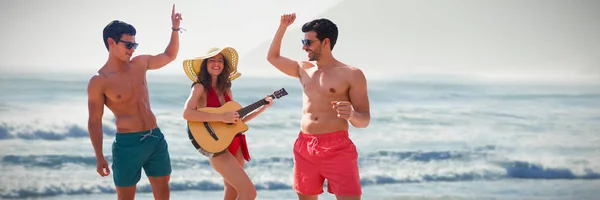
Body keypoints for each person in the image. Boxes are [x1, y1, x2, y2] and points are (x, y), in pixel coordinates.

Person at [266, 13, 371, 200]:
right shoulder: (303, 68)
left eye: (309, 42)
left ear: (326, 42)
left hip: (338, 148)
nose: (304, 47)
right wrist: (282, 27)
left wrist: (352, 115)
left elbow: (364, 120)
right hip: (304, 146)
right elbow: (273, 57)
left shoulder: (351, 74)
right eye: (303, 41)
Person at [86, 4, 182, 200]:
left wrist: (174, 29)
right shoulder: (99, 81)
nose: (132, 49)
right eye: (128, 45)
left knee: (163, 194)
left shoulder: (140, 63)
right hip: (128, 144)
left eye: (134, 45)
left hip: (155, 138)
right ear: (111, 42)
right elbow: (94, 121)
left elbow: (169, 55)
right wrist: (99, 156)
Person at [182, 47, 273, 200]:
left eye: (220, 60)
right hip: (216, 146)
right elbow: (187, 113)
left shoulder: (226, 89)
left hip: (235, 143)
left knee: (233, 193)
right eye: (212, 60)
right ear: (205, 64)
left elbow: (236, 121)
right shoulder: (199, 87)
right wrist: (222, 117)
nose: (216, 63)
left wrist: (262, 108)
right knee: (249, 193)